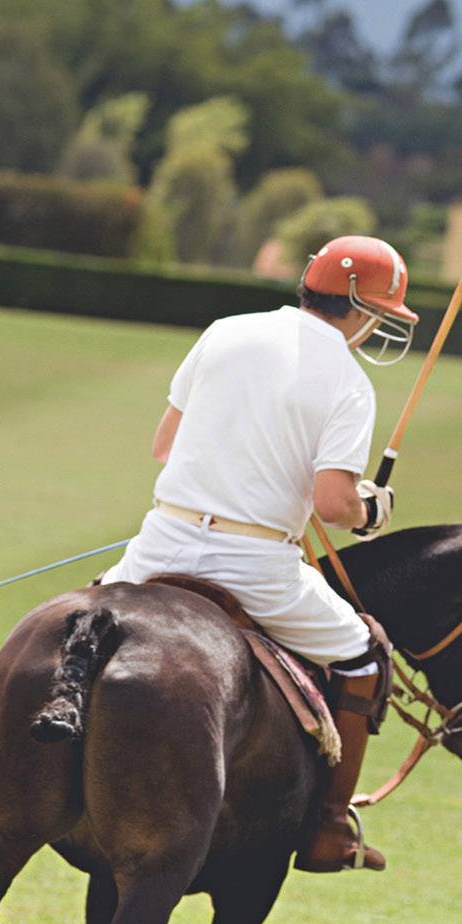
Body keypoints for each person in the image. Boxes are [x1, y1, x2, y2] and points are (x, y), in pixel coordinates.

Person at [101, 236, 419, 873]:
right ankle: (330, 826)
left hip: (162, 540)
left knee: (86, 623)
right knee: (363, 654)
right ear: (358, 305)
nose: (377, 324)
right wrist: (370, 508)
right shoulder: (350, 383)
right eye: (380, 311)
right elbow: (331, 504)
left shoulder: (224, 331)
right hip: (256, 569)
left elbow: (166, 445)